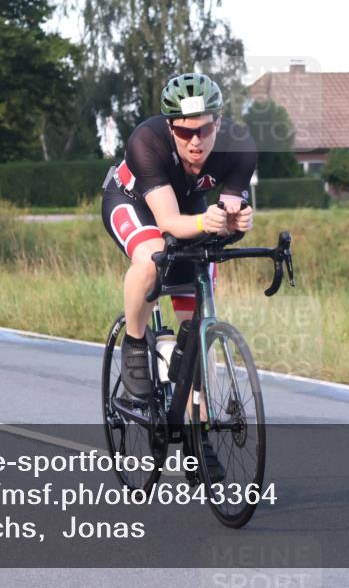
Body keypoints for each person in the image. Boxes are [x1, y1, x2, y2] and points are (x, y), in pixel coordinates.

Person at [101, 72, 256, 478]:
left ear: (218, 124)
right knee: (152, 259)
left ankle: (195, 435)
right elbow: (168, 222)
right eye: (185, 132)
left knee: (196, 330)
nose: (195, 141)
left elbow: (224, 220)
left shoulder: (239, 147)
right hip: (133, 202)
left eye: (204, 130)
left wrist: (239, 221)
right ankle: (135, 345)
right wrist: (210, 222)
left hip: (191, 209)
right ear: (170, 127)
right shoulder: (146, 141)